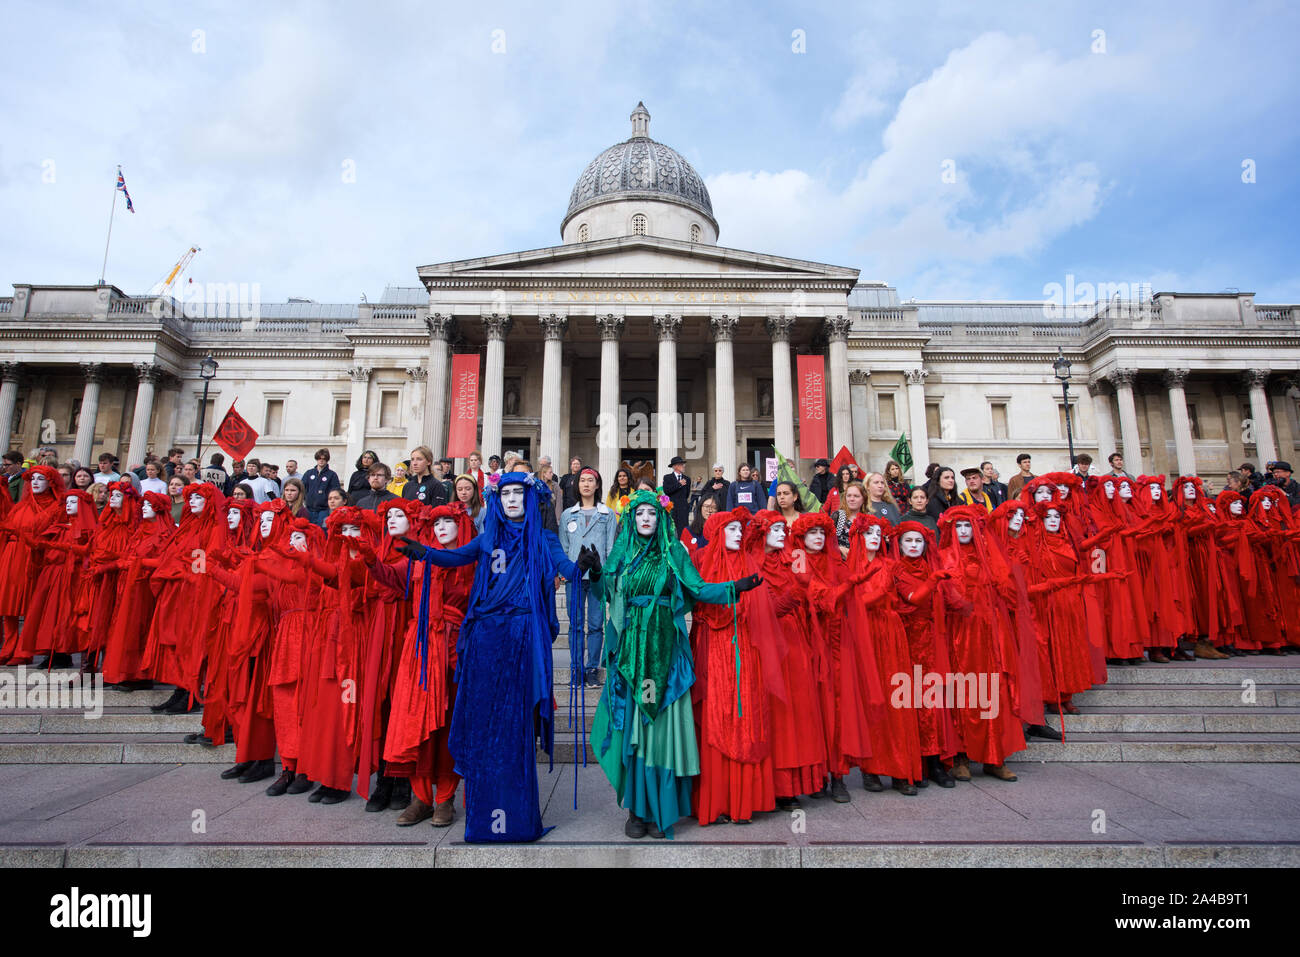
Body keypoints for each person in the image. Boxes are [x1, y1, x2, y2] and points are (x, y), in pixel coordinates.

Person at [395, 471, 595, 842]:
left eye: (520, 492)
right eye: (506, 494)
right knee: (485, 725)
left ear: (530, 498)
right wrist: (425, 553)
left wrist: (585, 566)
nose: (513, 499)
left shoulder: (544, 537)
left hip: (521, 636)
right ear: (497, 500)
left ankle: (516, 819)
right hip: (487, 637)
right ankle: (484, 816)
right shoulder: (488, 537)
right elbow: (455, 558)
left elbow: (567, 570)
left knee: (515, 726)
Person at [589, 488, 760, 839]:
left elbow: (697, 589)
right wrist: (593, 574)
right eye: (639, 514)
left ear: (662, 517)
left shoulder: (674, 554)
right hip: (632, 650)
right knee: (635, 728)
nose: (646, 519)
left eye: (652, 513)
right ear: (631, 519)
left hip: (666, 647)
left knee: (661, 731)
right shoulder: (622, 556)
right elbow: (605, 593)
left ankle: (659, 809)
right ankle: (637, 810)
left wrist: (733, 587)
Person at [558, 467, 616, 688]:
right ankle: (576, 668)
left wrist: (608, 575)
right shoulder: (568, 515)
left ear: (597, 485)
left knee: (595, 624)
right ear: (577, 484)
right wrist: (563, 571)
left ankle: (592, 668)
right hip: (574, 576)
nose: (586, 484)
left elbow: (610, 547)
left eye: (590, 480)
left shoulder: (606, 514)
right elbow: (563, 547)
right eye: (582, 480)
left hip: (596, 578)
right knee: (575, 625)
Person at [831, 480, 867, 559]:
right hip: (841, 563)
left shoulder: (868, 519)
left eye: (856, 496)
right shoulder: (838, 516)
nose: (851, 499)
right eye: (849, 495)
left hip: (860, 563)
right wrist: (839, 548)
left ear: (863, 498)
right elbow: (827, 541)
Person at [662, 456, 691, 537]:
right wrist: (679, 484)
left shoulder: (687, 479)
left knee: (683, 530)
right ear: (675, 466)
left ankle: (683, 547)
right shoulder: (667, 477)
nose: (683, 466)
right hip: (672, 508)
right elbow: (667, 491)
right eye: (681, 464)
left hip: (683, 509)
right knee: (671, 530)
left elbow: (687, 494)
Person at [536, 460, 561, 533]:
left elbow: (559, 504)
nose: (552, 474)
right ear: (544, 474)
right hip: (539, 517)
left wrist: (558, 520)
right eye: (550, 472)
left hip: (552, 519)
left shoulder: (555, 486)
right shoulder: (536, 485)